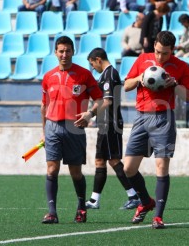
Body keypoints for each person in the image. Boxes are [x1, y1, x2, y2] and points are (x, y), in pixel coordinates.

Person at [123, 31, 189, 229]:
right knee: (128, 168)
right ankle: (146, 202)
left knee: (161, 167)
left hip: (165, 118)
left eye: (165, 53)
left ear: (173, 50)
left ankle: (158, 216)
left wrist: (174, 84)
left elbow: (188, 96)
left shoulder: (182, 66)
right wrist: (140, 77)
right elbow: (126, 85)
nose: (160, 57)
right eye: (157, 52)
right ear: (154, 45)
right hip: (141, 117)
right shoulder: (143, 59)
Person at [41, 36, 103, 224]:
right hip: (52, 127)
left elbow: (100, 100)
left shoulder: (84, 74)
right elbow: (44, 106)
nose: (64, 54)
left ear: (73, 52)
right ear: (55, 53)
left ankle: (81, 208)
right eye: (61, 51)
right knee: (52, 170)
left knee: (75, 172)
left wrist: (90, 114)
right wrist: (43, 131)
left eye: (68, 51)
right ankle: (52, 212)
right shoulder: (48, 76)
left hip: (74, 128)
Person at [85, 48, 141, 210]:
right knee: (100, 161)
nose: (92, 68)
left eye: (92, 64)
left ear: (97, 59)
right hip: (104, 124)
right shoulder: (105, 75)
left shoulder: (110, 74)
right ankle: (95, 200)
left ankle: (134, 195)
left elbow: (108, 101)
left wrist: (90, 113)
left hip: (111, 123)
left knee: (114, 160)